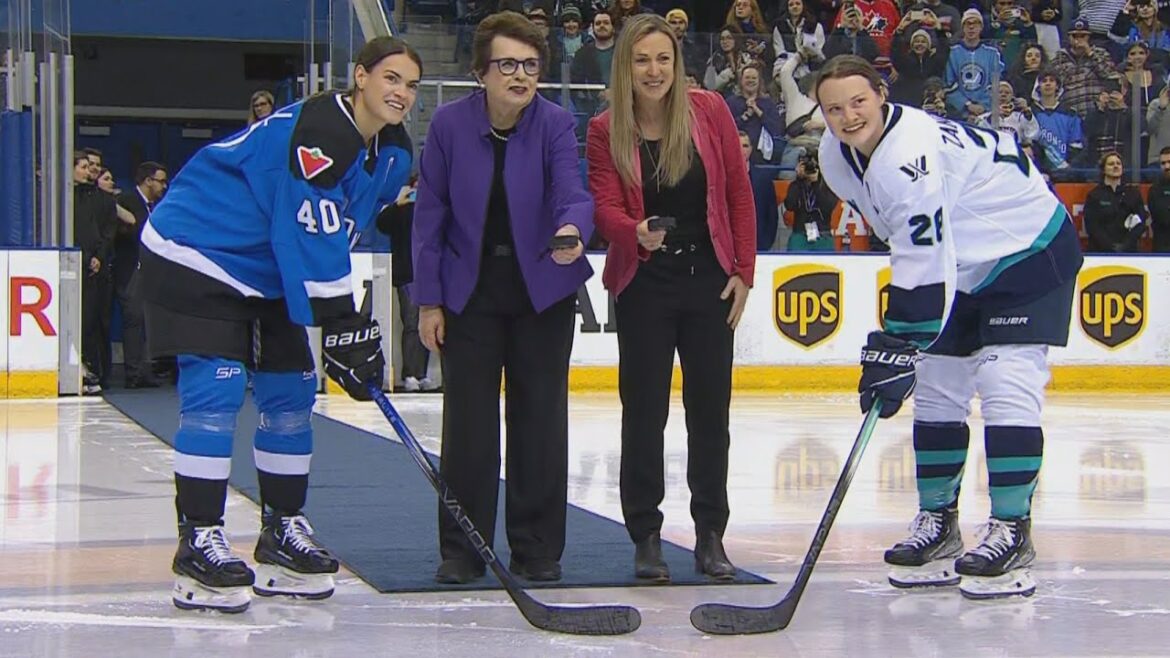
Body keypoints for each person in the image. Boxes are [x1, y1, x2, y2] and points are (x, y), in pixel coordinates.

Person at [136, 37, 421, 613]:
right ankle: (198, 541)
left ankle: (281, 534)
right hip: (198, 252)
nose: (402, 93)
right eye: (391, 78)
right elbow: (306, 228)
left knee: (290, 391)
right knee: (214, 392)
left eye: (412, 85)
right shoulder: (321, 131)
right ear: (360, 77)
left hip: (266, 268)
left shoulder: (392, 151)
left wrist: (345, 325)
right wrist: (341, 321)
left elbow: (345, 226)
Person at [815, 54, 1083, 600]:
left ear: (881, 96)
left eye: (858, 102)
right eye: (834, 108)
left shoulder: (906, 153)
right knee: (937, 392)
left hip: (1027, 250)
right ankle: (937, 524)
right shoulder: (834, 157)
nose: (848, 117)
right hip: (957, 264)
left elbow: (920, 247)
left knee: (1006, 384)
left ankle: (1012, 530)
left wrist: (900, 341)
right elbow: (912, 243)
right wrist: (905, 347)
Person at [411, 11, 593, 585]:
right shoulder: (447, 125)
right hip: (470, 293)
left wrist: (571, 229)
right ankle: (463, 550)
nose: (521, 75)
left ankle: (537, 548)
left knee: (540, 418)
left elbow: (572, 189)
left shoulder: (556, 123)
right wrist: (429, 300)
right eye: (507, 64)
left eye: (530, 65)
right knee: (468, 425)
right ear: (480, 71)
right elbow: (430, 215)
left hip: (542, 289)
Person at [586, 14, 756, 583]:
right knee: (644, 414)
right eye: (642, 60)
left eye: (663, 59)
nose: (654, 71)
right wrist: (631, 231)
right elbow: (604, 206)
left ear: (677, 62)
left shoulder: (709, 110)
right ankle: (647, 538)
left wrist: (744, 271)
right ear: (625, 67)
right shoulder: (605, 128)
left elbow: (738, 193)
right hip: (645, 283)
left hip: (709, 279)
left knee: (710, 414)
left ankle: (711, 536)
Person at [1083, 151, 1149, 253]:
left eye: (1118, 163)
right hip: (1100, 252)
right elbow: (1092, 226)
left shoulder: (1133, 194)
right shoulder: (1094, 195)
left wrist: (1125, 245)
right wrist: (1110, 246)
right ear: (1103, 169)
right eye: (1111, 164)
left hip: (1129, 252)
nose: (1115, 166)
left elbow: (1141, 222)